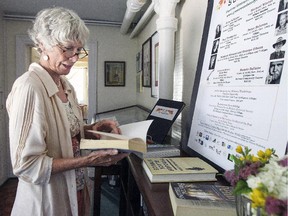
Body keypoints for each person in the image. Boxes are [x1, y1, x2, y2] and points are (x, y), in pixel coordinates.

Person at [6, 7, 128, 216]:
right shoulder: (29, 87)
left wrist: (91, 129)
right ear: (42, 44)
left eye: (79, 50)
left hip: (77, 188)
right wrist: (88, 161)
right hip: (47, 200)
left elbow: (65, 134)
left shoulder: (66, 85)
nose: (74, 57)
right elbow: (25, 165)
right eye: (67, 48)